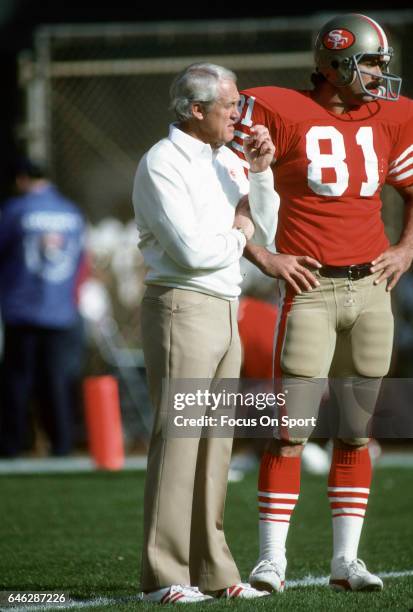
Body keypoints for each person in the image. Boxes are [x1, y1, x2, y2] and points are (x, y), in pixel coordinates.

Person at [231, 13, 413, 593]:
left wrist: (407, 250)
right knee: (291, 429)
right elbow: (222, 177)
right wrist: (260, 253)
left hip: (372, 289)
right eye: (373, 62)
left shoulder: (394, 117)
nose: (383, 74)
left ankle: (346, 561)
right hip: (310, 287)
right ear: (337, 64)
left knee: (357, 431)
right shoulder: (276, 110)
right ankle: (271, 560)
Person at [132, 62, 280, 604]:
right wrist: (240, 231)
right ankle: (164, 577)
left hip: (225, 306)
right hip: (181, 305)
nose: (241, 114)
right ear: (195, 110)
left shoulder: (229, 160)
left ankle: (214, 572)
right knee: (179, 443)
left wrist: (261, 174)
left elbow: (264, 227)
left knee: (216, 445)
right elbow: (193, 254)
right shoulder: (162, 161)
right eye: (231, 105)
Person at [0, 157, 86, 456]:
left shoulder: (15, 210)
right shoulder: (71, 211)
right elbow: (81, 262)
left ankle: (12, 445)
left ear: (21, 179)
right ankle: (62, 445)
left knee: (17, 381)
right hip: (61, 310)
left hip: (21, 307)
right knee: (58, 381)